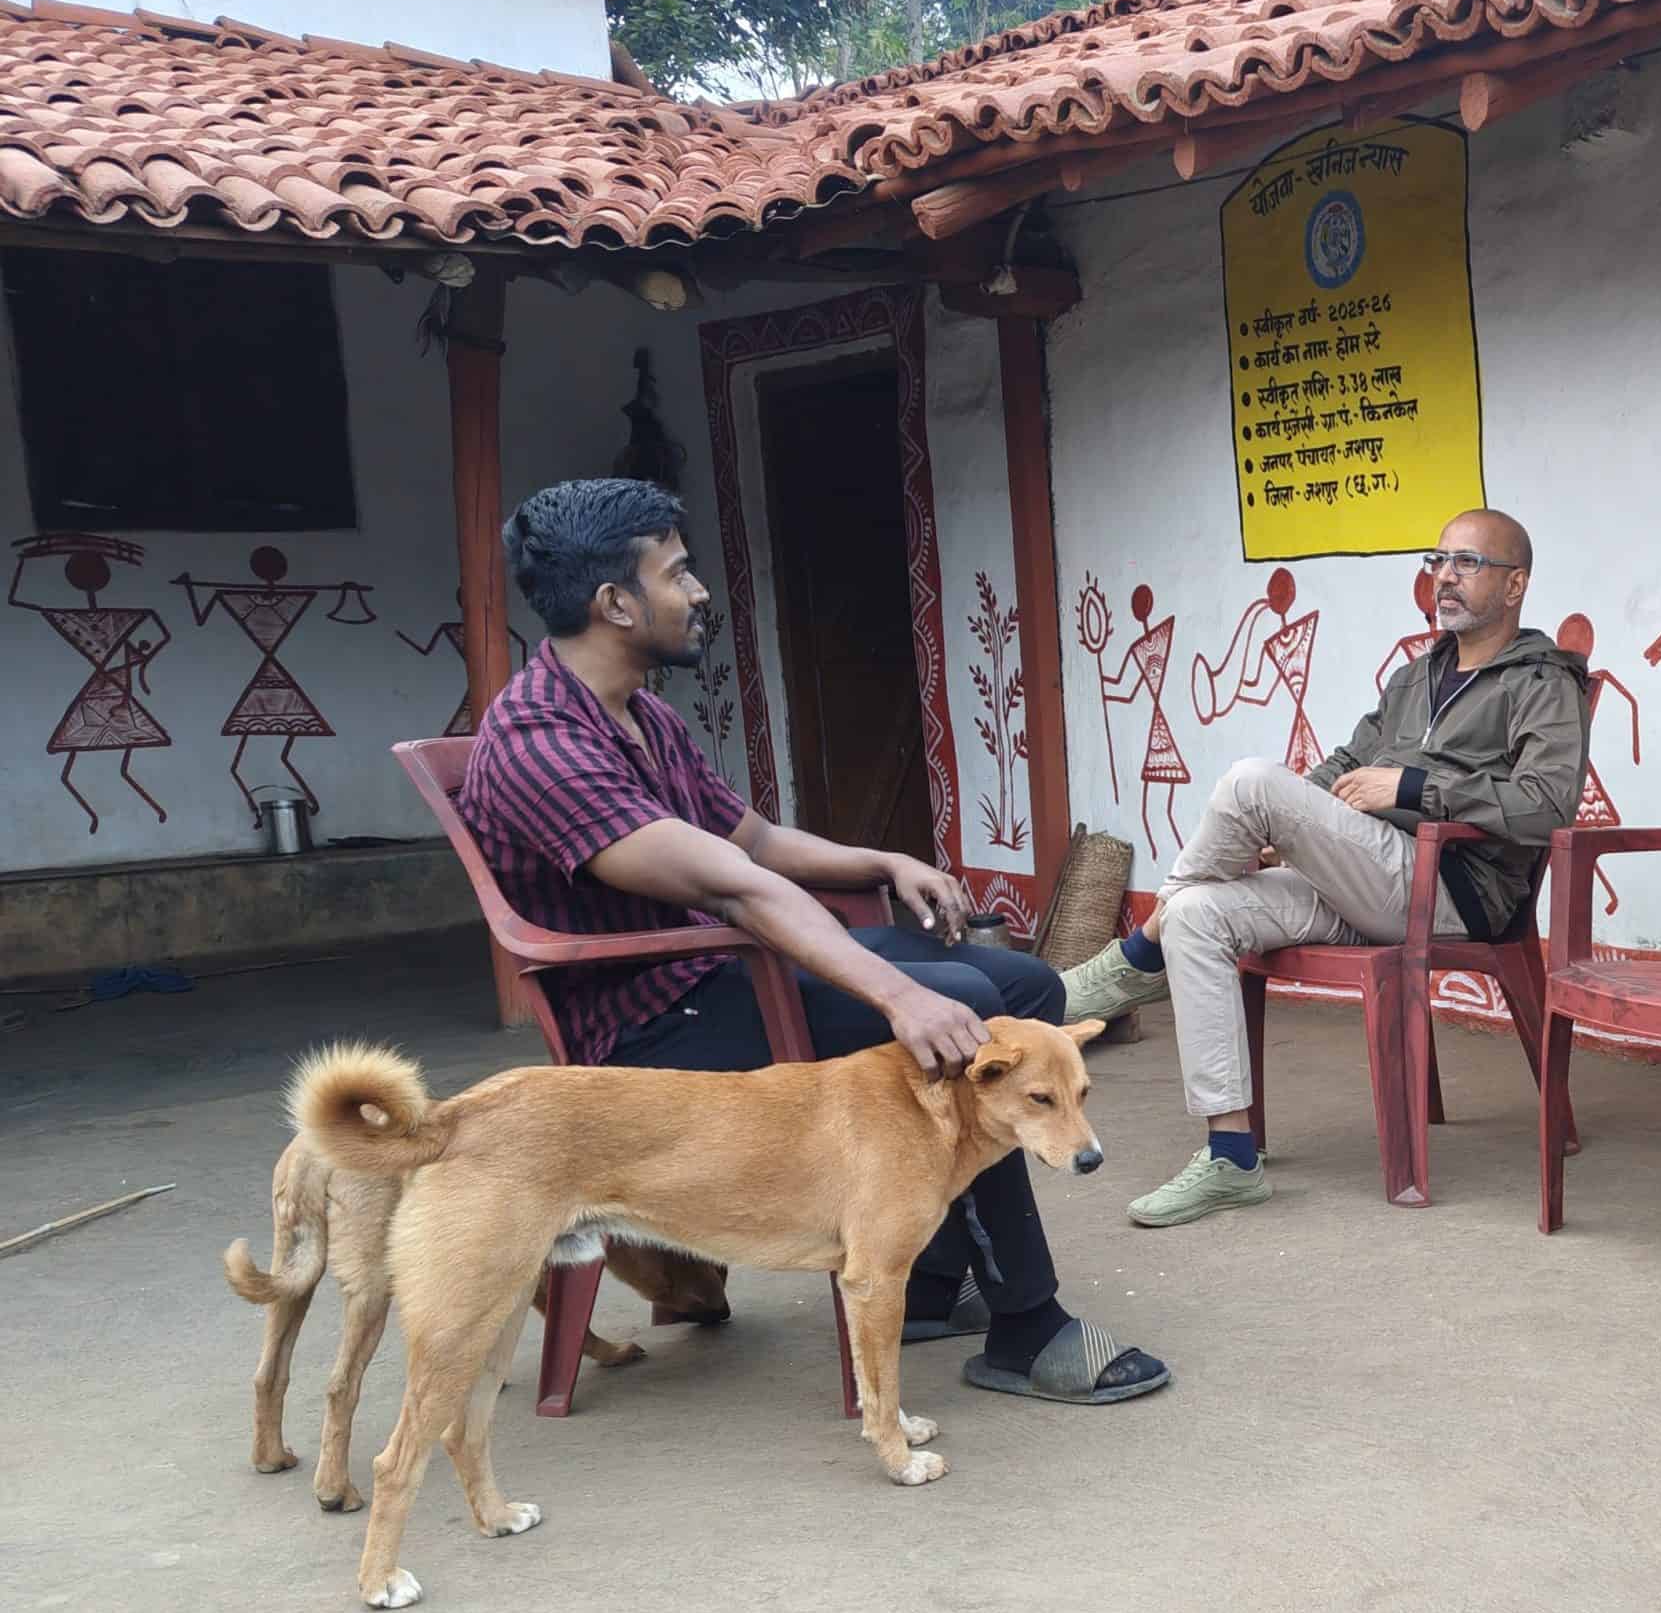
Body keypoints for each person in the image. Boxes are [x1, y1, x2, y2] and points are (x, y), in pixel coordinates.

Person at [456, 478, 1166, 1406]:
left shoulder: (640, 712)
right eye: (678, 573)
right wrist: (898, 994)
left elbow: (751, 840)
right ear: (615, 604)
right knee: (967, 1012)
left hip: (721, 972)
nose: (698, 591)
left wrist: (884, 859)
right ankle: (1027, 1327)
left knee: (1023, 989)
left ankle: (928, 1276)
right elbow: (734, 884)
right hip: (652, 1024)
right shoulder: (541, 744)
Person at [1062, 509, 1588, 1226]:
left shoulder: (1543, 682)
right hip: (1368, 878)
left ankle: (1134, 957)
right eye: (1437, 560)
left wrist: (1413, 788)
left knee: (1250, 781)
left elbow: (1548, 806)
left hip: (1454, 890)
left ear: (1515, 584)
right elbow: (1346, 761)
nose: (1444, 577)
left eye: (1467, 563)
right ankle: (1231, 1158)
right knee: (1196, 914)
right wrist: (1291, 823)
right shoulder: (1416, 676)